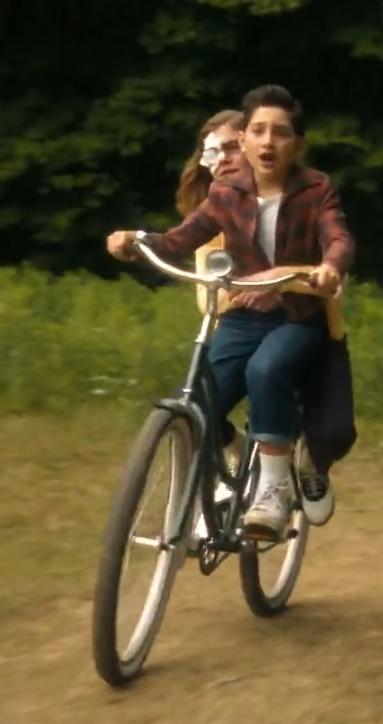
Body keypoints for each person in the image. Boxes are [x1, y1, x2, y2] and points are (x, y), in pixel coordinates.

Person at [107, 84, 356, 540]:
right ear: (244, 139)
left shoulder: (316, 189)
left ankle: (273, 489)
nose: (268, 142)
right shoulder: (225, 193)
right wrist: (137, 242)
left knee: (268, 369)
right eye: (258, 131)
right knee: (198, 400)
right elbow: (179, 239)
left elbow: (338, 238)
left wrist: (328, 268)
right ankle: (230, 469)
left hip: (297, 315)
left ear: (297, 144)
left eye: (280, 132)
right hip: (243, 317)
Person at [174, 108, 247, 544]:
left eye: (232, 148)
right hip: (228, 328)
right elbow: (210, 295)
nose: (222, 160)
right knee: (195, 406)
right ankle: (217, 485)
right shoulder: (209, 213)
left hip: (277, 325)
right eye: (213, 151)